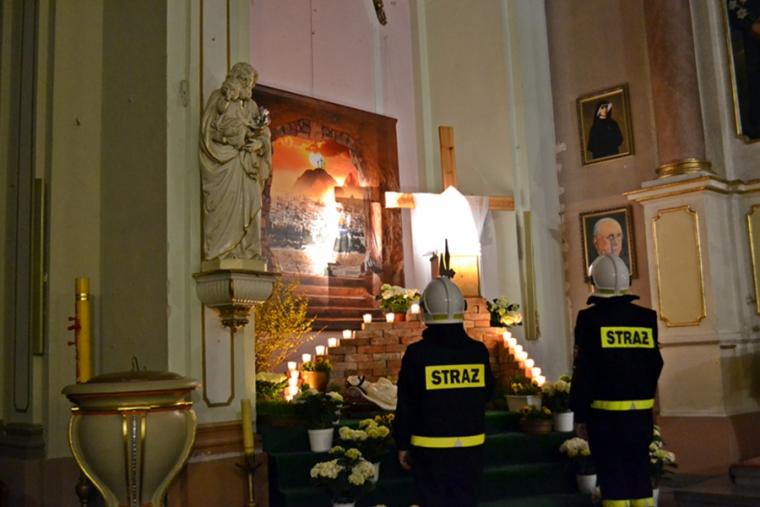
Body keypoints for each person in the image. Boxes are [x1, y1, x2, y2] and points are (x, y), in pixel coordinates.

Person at [394, 247, 495, 507]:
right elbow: (487, 393)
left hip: (429, 452)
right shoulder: (477, 352)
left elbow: (406, 404)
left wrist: (402, 444)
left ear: (425, 310)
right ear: (462, 308)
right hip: (472, 449)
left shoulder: (417, 354)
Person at [569, 254, 663, 507]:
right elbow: (656, 363)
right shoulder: (647, 318)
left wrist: (580, 413)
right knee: (640, 476)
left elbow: (585, 370)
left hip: (605, 416)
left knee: (613, 480)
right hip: (641, 415)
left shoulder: (589, 319)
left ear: (594, 282)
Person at [200, 62, 272, 262]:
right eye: (247, 83)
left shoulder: (252, 106)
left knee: (252, 204)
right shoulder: (220, 99)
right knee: (226, 208)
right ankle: (223, 252)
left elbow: (263, 133)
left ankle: (249, 252)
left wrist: (259, 143)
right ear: (237, 80)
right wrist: (228, 139)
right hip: (226, 164)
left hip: (248, 167)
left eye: (251, 84)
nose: (250, 88)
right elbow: (208, 131)